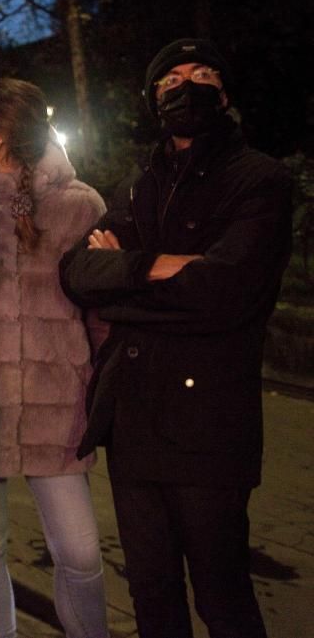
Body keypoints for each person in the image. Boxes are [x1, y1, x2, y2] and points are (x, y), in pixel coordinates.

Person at [59, 38, 293, 638]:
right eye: (170, 80)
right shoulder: (142, 182)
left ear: (225, 91)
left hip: (211, 424)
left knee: (223, 596)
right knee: (152, 597)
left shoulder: (258, 178)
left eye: (203, 73)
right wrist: (157, 268)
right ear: (152, 98)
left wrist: (129, 277)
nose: (186, 86)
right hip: (134, 421)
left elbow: (225, 292)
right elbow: (79, 273)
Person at [0, 78, 109, 638]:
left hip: (58, 405)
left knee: (80, 552)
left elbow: (101, 307)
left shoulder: (78, 205)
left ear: (10, 125)